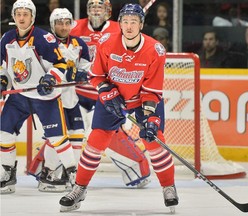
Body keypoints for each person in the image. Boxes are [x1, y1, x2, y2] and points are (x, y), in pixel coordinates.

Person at [59, 3, 179, 212]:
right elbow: (96, 76)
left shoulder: (155, 50)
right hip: (113, 98)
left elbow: (152, 91)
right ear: (120, 23)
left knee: (155, 143)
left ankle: (168, 187)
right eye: (125, 21)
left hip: (142, 101)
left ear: (141, 24)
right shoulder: (107, 43)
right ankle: (79, 187)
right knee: (95, 142)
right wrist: (107, 92)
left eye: (134, 22)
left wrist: (150, 120)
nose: (129, 26)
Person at [70, 0, 151, 188]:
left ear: (108, 11)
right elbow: (58, 50)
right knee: (65, 132)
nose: (96, 10)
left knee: (107, 135)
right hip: (78, 94)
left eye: (100, 7)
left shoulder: (119, 29)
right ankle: (54, 171)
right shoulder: (74, 26)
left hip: (105, 95)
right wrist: (73, 70)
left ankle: (137, 170)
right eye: (92, 6)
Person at [0, 0, 77, 194]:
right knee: (3, 132)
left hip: (45, 96)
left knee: (58, 137)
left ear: (32, 17)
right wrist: (3, 80)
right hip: (19, 97)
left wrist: (50, 79)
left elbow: (61, 64)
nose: (22, 17)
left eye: (26, 14)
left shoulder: (44, 38)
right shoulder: (6, 38)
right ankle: (7, 176)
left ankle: (75, 177)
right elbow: (3, 67)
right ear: (14, 17)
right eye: (19, 14)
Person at [30, 7, 91, 192]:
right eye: (59, 23)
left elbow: (88, 68)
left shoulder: (79, 44)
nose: (63, 27)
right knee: (56, 137)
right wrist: (67, 74)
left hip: (71, 98)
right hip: (51, 99)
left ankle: (68, 173)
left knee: (77, 135)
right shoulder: (45, 42)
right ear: (52, 25)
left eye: (66, 23)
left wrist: (81, 74)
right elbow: (44, 69)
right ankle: (48, 173)